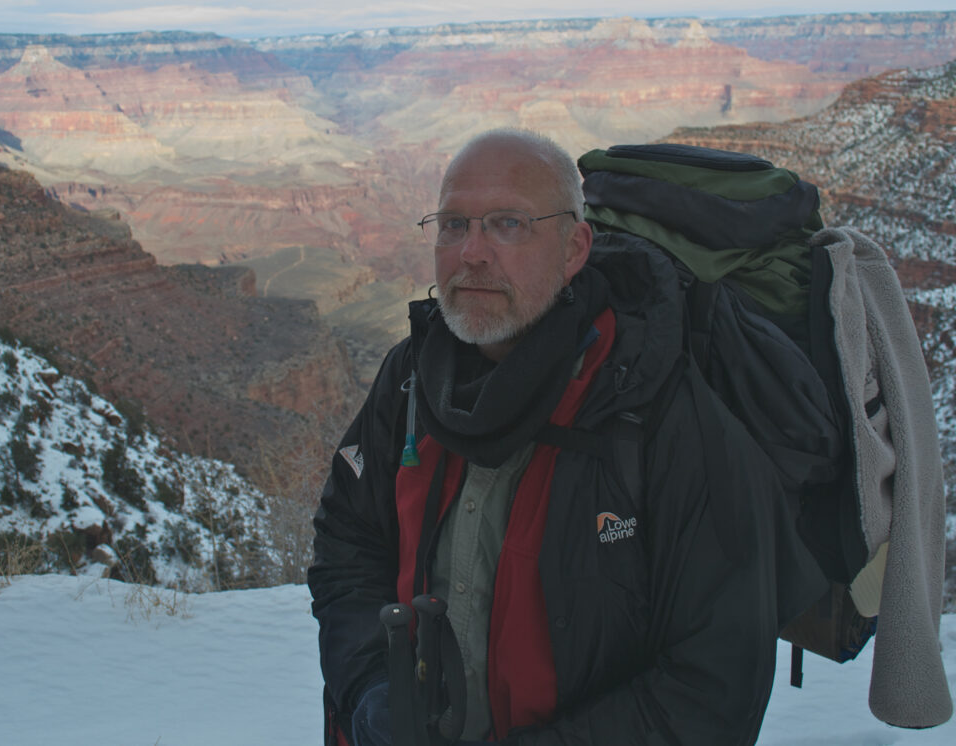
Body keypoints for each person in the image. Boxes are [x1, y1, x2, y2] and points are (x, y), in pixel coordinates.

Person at [308, 128, 826, 745]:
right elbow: (347, 545)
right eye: (452, 224)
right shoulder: (411, 376)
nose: (471, 251)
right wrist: (371, 687)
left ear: (575, 246)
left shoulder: (656, 406)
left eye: (507, 224)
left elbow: (716, 685)